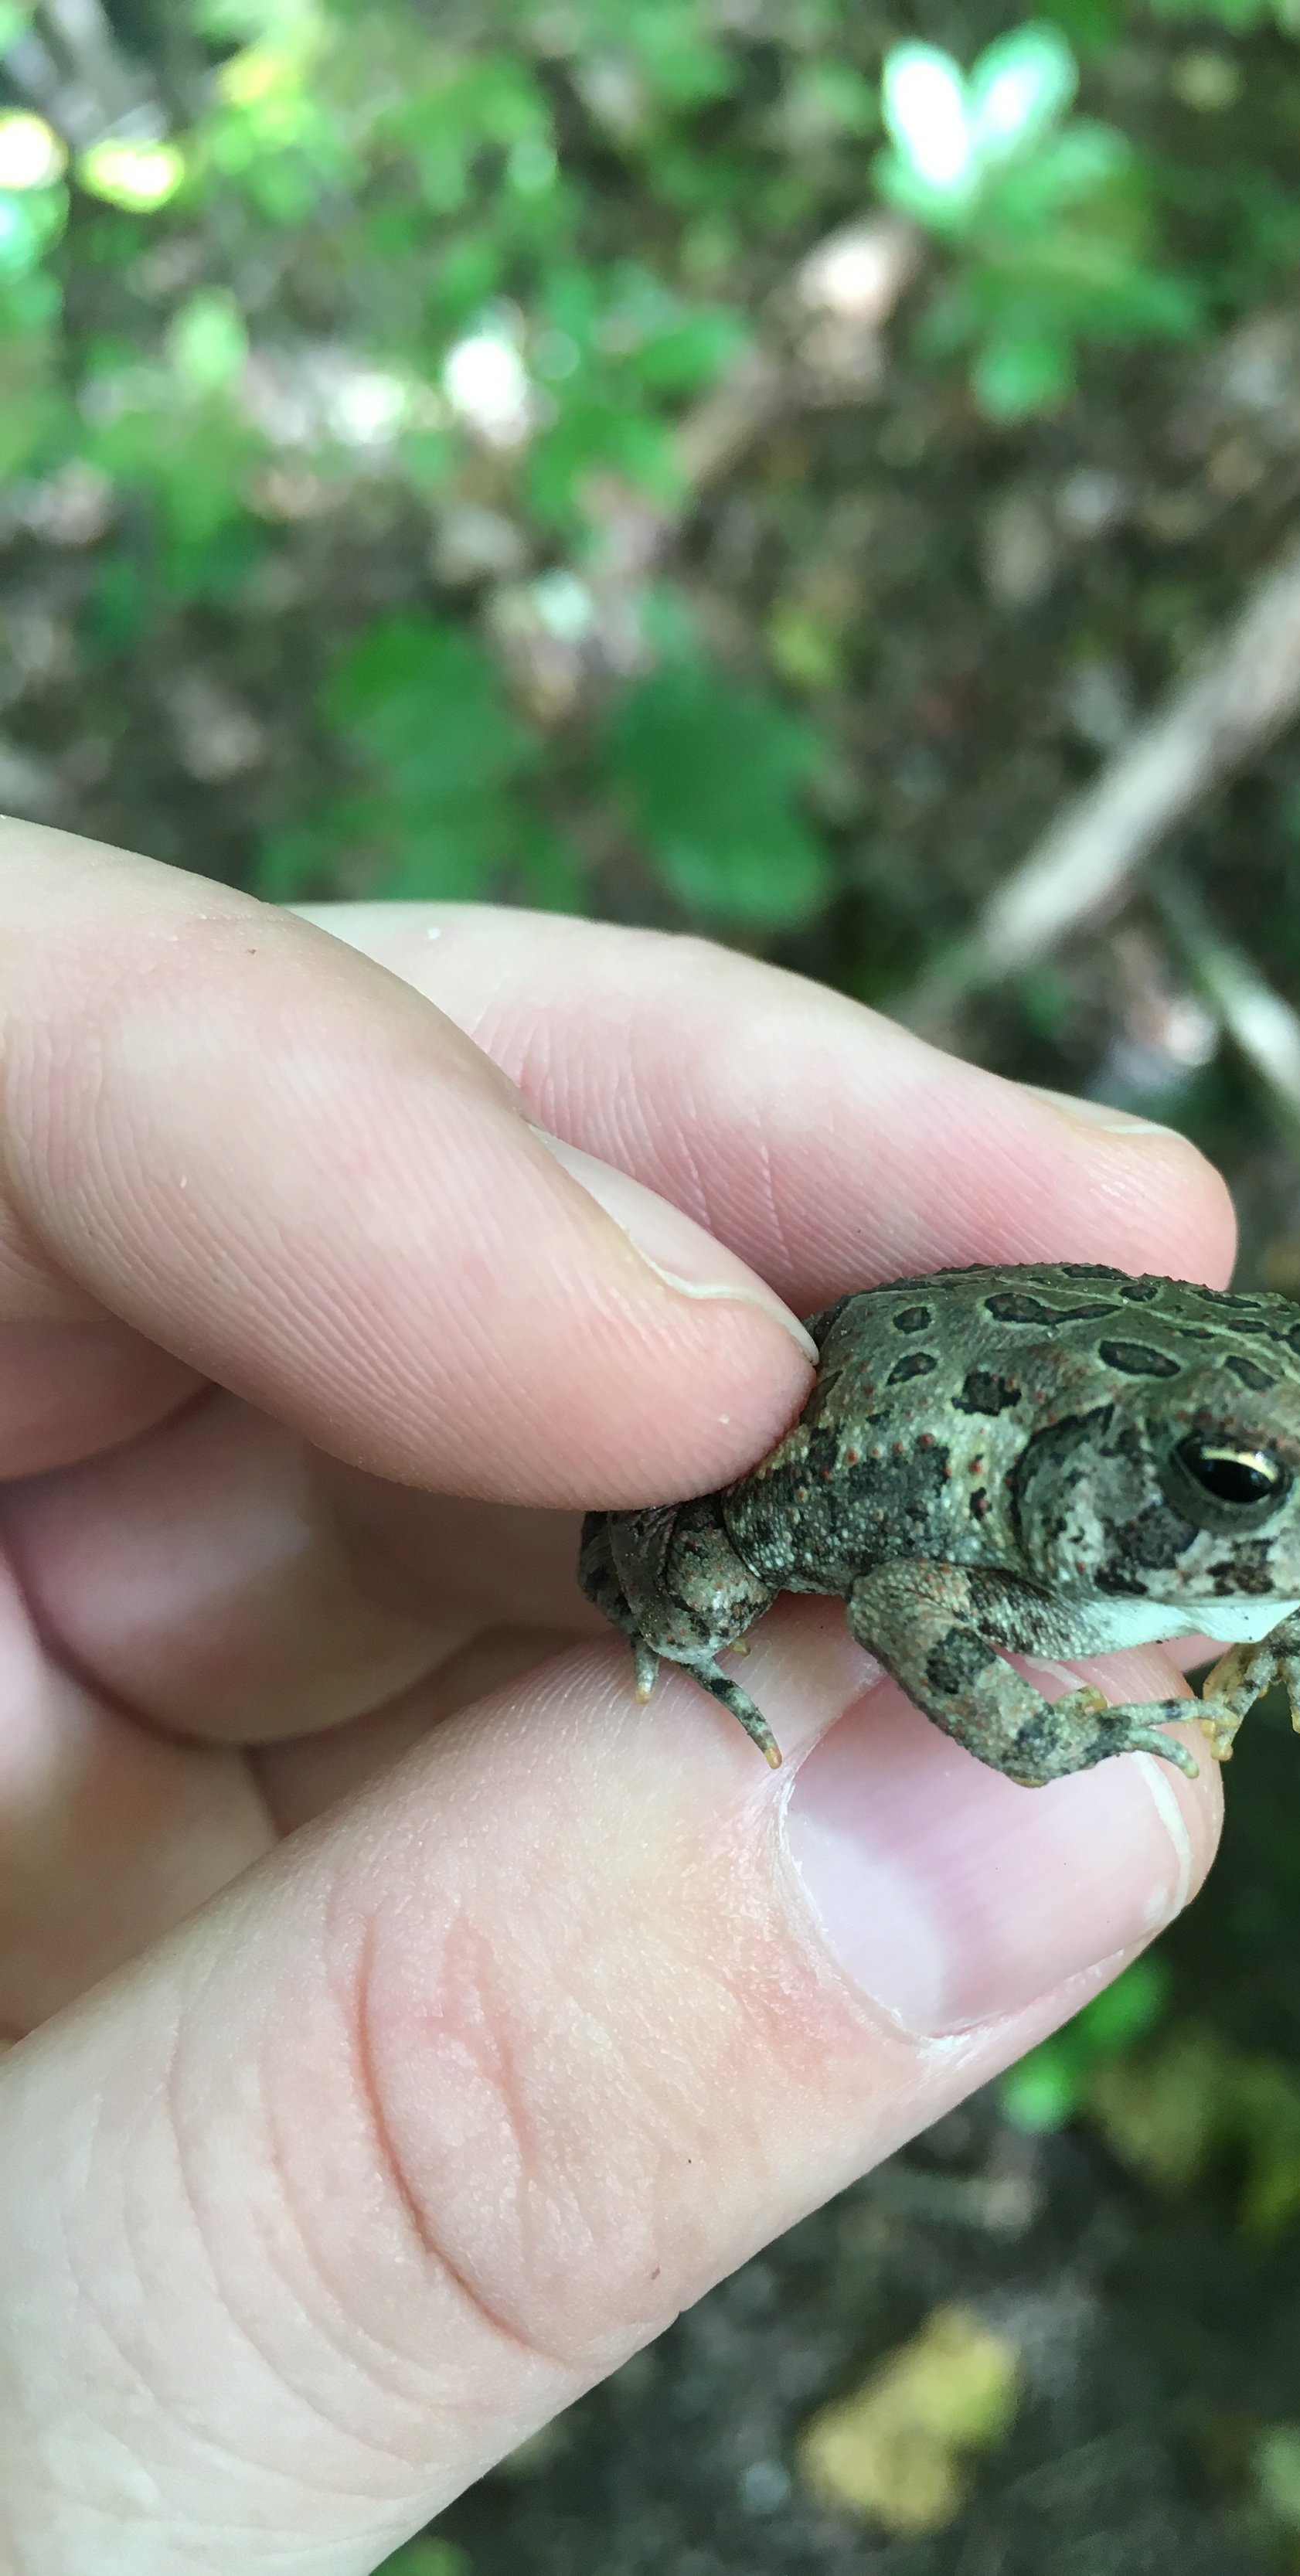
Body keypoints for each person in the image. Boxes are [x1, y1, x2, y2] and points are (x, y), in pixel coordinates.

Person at [0, 822, 1227, 2570]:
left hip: (980, 1418)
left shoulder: (1152, 1499)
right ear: (1141, 1470)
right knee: (700, 1572)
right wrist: (1043, 1734)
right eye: (1233, 1480)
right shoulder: (1014, 1517)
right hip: (812, 1476)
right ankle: (682, 1623)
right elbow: (895, 1583)